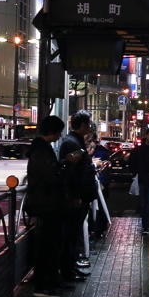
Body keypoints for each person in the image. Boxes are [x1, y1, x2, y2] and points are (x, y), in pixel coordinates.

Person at [26, 115, 84, 297]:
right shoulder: (41, 152)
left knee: (53, 244)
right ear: (50, 132)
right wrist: (68, 163)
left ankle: (51, 281)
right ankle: (43, 285)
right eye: (58, 132)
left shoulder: (42, 149)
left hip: (49, 203)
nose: (60, 135)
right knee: (48, 246)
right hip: (47, 204)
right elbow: (55, 178)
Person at [59, 112, 96, 278]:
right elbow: (72, 174)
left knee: (74, 232)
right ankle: (68, 269)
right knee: (71, 233)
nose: (89, 126)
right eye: (88, 123)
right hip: (77, 196)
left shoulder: (74, 141)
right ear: (82, 125)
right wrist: (75, 196)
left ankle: (71, 266)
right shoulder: (71, 143)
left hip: (81, 195)